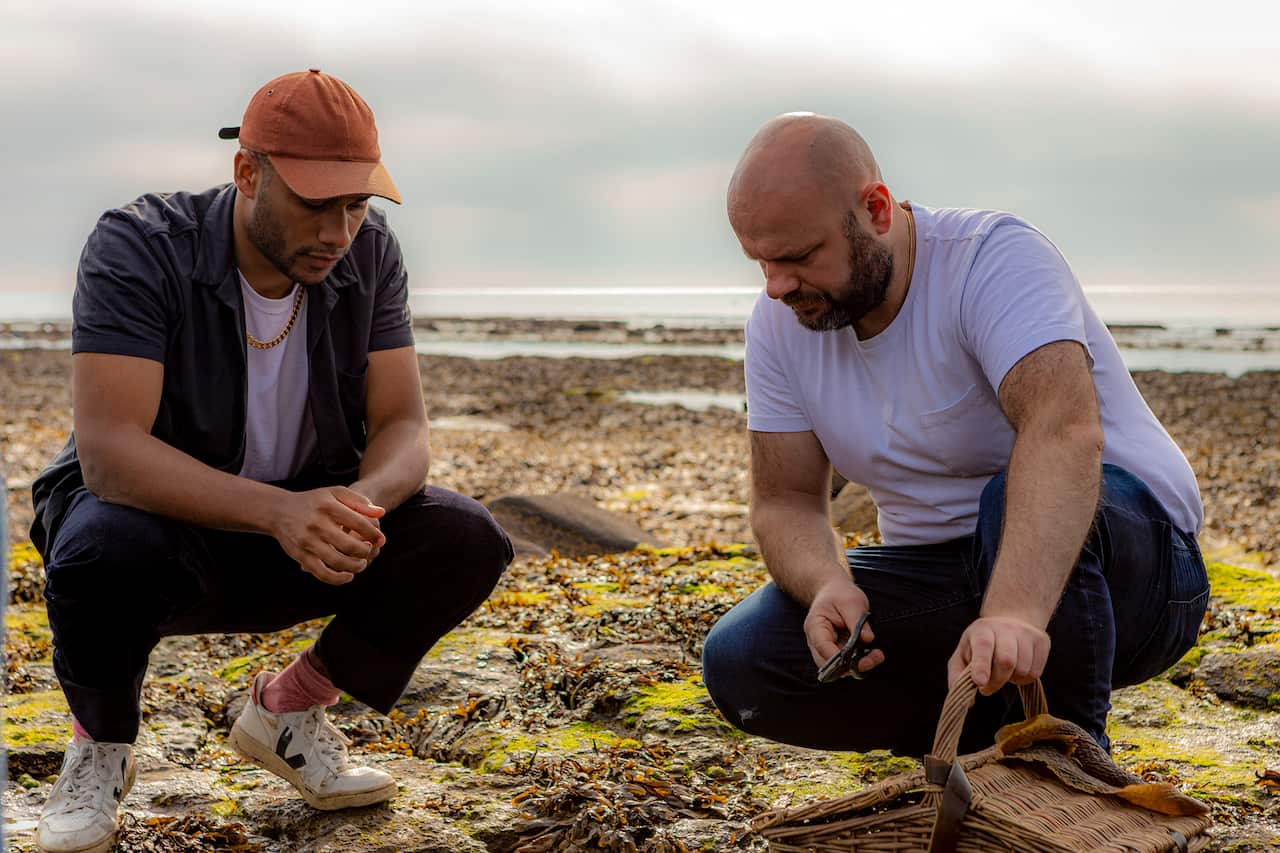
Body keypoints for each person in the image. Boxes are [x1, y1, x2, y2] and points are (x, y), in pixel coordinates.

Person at [29, 69, 514, 853]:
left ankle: (288, 711)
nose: (338, 231)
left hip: (304, 531)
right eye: (316, 204)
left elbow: (405, 427)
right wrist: (278, 512)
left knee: (467, 537)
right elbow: (111, 457)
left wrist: (357, 504)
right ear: (247, 173)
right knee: (97, 545)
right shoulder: (139, 246)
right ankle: (99, 747)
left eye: (356, 205)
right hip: (163, 533)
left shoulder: (369, 254)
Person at [701, 114, 1208, 759]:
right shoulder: (778, 324)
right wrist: (826, 584)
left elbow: (1063, 433)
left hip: (1139, 572)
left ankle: (1068, 764)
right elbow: (786, 501)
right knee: (744, 657)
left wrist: (1015, 614)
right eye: (762, 262)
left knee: (1009, 495)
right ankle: (970, 753)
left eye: (799, 257)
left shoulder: (992, 258)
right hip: (954, 581)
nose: (777, 286)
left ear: (876, 209)